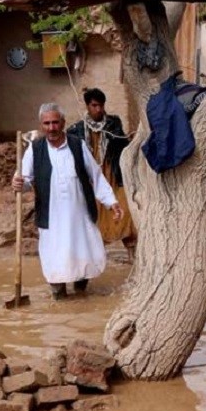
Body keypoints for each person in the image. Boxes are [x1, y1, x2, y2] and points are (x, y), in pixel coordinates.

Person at [11, 103, 123, 298]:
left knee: (82, 255)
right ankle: (58, 294)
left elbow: (95, 176)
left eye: (55, 122)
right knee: (55, 258)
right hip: (51, 216)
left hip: (79, 214)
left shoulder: (77, 145)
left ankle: (81, 293)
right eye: (47, 123)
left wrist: (111, 202)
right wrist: (18, 183)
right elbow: (25, 180)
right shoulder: (34, 150)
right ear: (41, 125)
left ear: (63, 123)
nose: (51, 128)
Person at [66, 88, 138, 262]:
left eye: (101, 105)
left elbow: (122, 147)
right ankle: (94, 259)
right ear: (88, 106)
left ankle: (132, 256)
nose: (98, 109)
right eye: (94, 105)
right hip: (91, 181)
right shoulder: (76, 130)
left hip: (113, 176)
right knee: (93, 218)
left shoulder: (113, 124)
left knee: (125, 212)